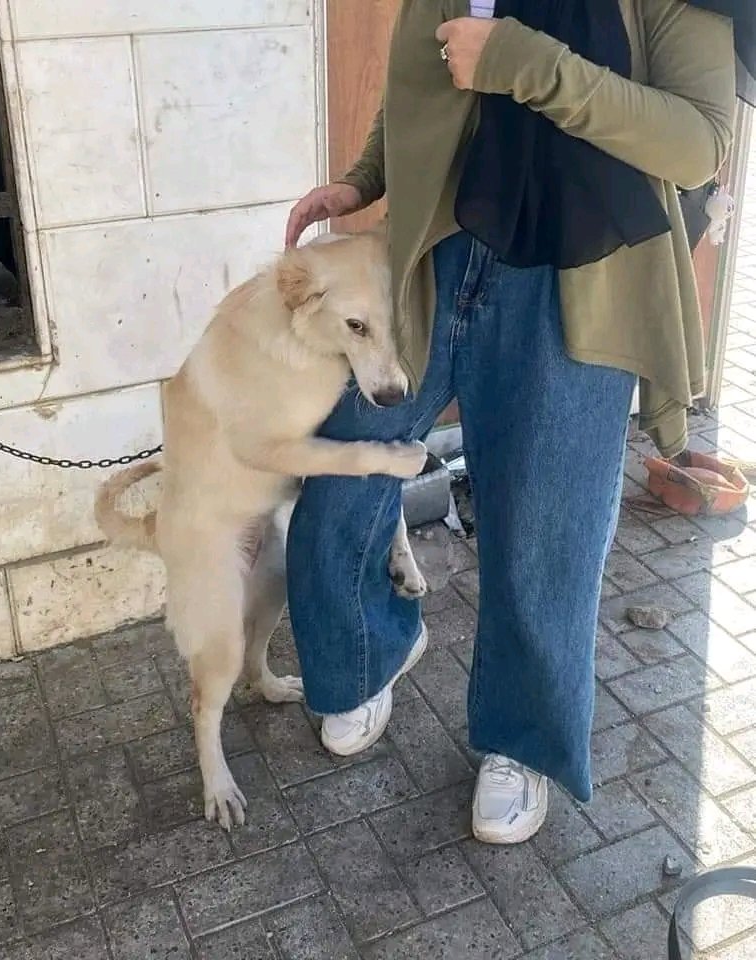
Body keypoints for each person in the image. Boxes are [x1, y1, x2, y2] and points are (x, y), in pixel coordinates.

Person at [284, 0, 751, 845]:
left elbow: (696, 143)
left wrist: (522, 62)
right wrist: (365, 177)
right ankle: (366, 652)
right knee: (342, 468)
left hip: (577, 282)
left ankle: (521, 741)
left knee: (545, 532)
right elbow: (425, 79)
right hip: (433, 257)